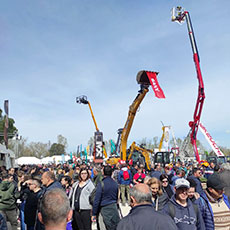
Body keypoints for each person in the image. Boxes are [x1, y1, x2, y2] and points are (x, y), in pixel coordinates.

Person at [92, 165, 120, 230]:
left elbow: (97, 199)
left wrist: (94, 213)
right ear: (112, 173)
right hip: (113, 207)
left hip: (104, 209)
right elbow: (117, 197)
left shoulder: (101, 183)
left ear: (103, 173)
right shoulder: (115, 183)